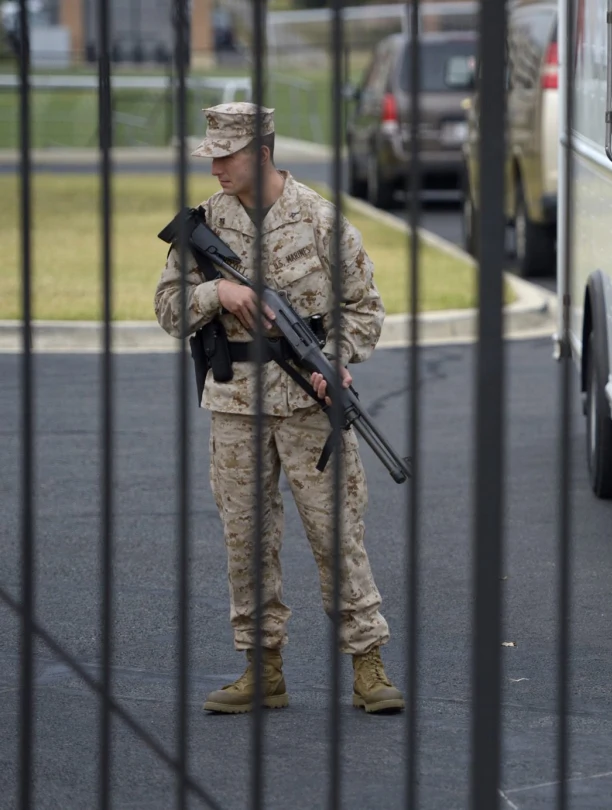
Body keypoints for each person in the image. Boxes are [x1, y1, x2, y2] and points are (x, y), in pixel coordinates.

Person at [153, 101, 405, 715]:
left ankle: (368, 665)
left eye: (227, 156)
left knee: (336, 534)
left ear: (262, 153)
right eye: (211, 156)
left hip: (308, 404)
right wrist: (218, 292)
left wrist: (335, 359)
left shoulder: (320, 220)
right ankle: (262, 669)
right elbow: (168, 308)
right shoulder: (204, 224)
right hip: (235, 403)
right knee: (246, 540)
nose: (216, 168)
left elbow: (365, 309)